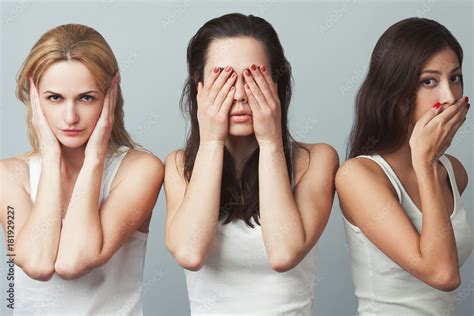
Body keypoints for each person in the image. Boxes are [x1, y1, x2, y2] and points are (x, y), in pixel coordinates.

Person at [164, 13, 339, 315]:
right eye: (224, 80)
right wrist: (211, 143)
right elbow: (190, 253)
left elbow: (284, 253)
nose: (241, 95)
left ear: (276, 83)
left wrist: (271, 143)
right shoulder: (180, 166)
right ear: (199, 86)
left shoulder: (317, 160)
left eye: (253, 79)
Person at [0, 24, 163, 315]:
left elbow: (73, 261)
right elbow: (37, 264)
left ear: (110, 96)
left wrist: (95, 157)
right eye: (55, 98)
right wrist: (50, 157)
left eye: (86, 97)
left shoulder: (139, 170)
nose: (70, 116)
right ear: (35, 99)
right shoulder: (9, 176)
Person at [336, 17, 473, 315]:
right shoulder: (358, 176)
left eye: (455, 78)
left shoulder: (454, 173)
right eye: (429, 81)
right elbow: (443, 274)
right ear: (396, 91)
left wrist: (429, 164)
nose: (449, 97)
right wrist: (423, 162)